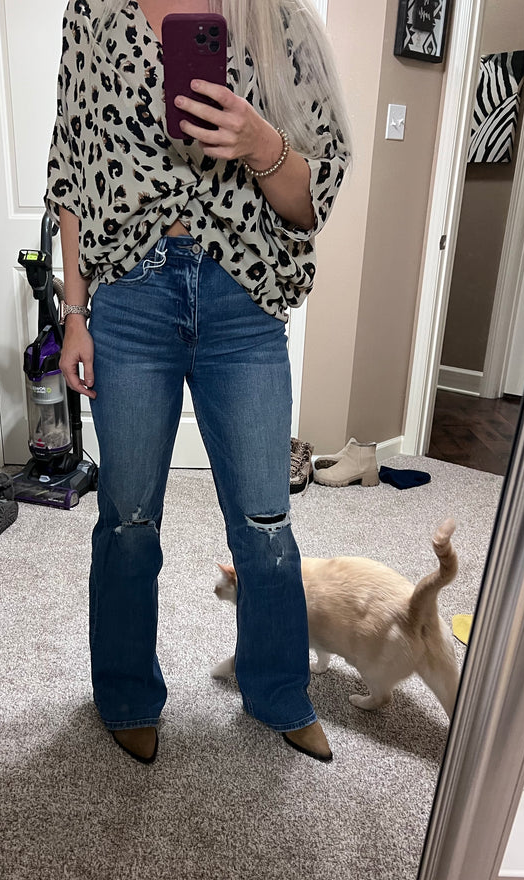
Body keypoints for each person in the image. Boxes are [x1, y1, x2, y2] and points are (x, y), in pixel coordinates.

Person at [46, 0, 351, 764]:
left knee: (266, 520)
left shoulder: (272, 15)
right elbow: (72, 169)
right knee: (127, 518)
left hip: (241, 298)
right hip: (131, 297)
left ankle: (277, 688)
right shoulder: (94, 12)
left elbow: (311, 199)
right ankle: (126, 692)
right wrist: (74, 314)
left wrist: (261, 143)